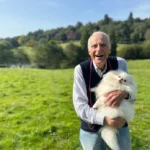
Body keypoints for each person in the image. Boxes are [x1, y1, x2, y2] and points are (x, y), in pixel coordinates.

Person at [73, 31, 136, 150]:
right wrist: (105, 120)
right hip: (90, 129)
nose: (98, 49)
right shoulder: (80, 70)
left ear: (109, 49)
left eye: (103, 45)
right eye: (94, 46)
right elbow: (79, 106)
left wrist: (125, 94)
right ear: (89, 51)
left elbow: (132, 93)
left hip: (119, 123)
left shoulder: (120, 63)